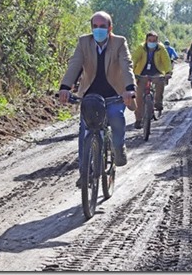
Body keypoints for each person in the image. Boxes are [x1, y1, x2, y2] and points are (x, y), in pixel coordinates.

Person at [58, 11, 136, 186]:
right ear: (91, 27)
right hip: (91, 96)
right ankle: (85, 173)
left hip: (115, 94)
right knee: (85, 130)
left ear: (110, 28)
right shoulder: (83, 42)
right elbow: (75, 65)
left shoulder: (119, 42)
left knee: (116, 118)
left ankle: (118, 147)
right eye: (95, 26)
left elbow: (126, 65)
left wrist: (130, 89)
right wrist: (65, 87)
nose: (98, 30)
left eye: (102, 26)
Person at [131, 31, 172, 129]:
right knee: (139, 97)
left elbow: (166, 61)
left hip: (156, 71)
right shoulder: (141, 48)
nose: (152, 42)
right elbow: (134, 60)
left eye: (154, 40)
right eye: (150, 40)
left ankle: (158, 102)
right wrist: (131, 72)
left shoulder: (161, 48)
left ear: (157, 41)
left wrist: (168, 72)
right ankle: (138, 119)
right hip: (142, 72)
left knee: (160, 82)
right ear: (146, 40)